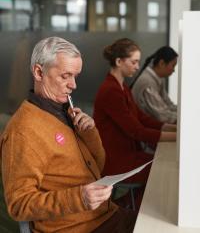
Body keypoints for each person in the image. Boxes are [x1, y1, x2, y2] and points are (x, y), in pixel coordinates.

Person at [0, 37, 136, 233]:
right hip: (77, 227)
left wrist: (90, 134)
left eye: (75, 76)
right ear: (39, 72)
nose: (73, 85)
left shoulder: (65, 113)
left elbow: (99, 166)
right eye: (65, 76)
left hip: (103, 215)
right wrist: (79, 198)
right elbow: (19, 205)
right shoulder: (22, 131)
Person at [93, 38, 176, 209]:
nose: (138, 67)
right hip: (116, 159)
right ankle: (129, 212)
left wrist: (172, 129)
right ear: (118, 61)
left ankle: (125, 208)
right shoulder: (111, 90)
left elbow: (142, 118)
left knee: (162, 166)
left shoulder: (122, 87)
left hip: (128, 153)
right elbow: (136, 131)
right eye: (134, 62)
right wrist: (177, 136)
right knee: (161, 169)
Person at [131, 46, 178, 124]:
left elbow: (168, 105)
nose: (174, 70)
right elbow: (163, 116)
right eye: (173, 65)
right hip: (143, 129)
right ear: (162, 63)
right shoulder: (147, 82)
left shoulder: (158, 79)